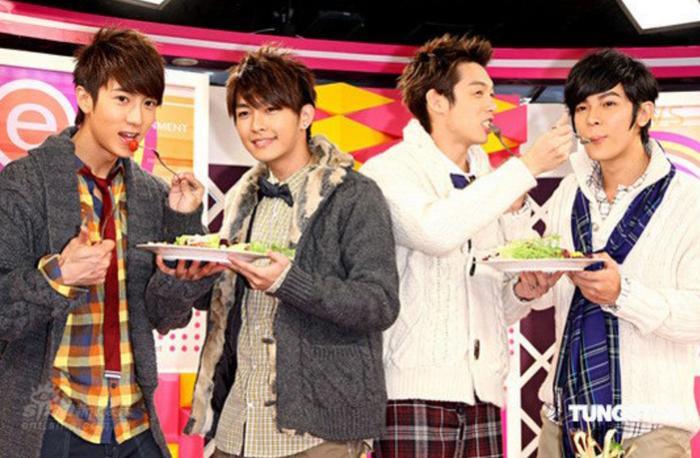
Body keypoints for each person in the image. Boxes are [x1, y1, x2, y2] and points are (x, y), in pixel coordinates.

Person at [0, 28, 222, 458]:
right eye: (122, 99)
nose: (137, 119)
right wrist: (57, 278)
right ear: (85, 98)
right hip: (52, 419)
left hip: (133, 420)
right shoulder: (23, 185)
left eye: (149, 103)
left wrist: (183, 236)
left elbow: (166, 318)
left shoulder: (153, 195)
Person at [359, 33, 573, 457]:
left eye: (492, 93)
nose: (492, 105)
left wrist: (522, 292)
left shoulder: (489, 182)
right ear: (438, 101)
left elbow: (494, 302)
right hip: (410, 394)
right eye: (478, 93)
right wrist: (526, 167)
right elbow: (436, 232)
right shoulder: (388, 171)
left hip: (483, 396)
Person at [184, 46, 400, 458]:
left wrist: (289, 282)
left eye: (271, 110)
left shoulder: (354, 194)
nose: (257, 125)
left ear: (304, 116)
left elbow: (379, 303)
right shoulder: (241, 199)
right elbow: (224, 308)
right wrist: (192, 272)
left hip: (318, 432)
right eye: (244, 113)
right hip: (237, 425)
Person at [510, 49, 700, 458]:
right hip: (563, 423)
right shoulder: (569, 193)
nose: (591, 119)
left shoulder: (690, 201)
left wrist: (622, 294)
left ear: (644, 113)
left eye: (608, 104)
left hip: (648, 431)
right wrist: (533, 287)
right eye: (582, 107)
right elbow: (548, 299)